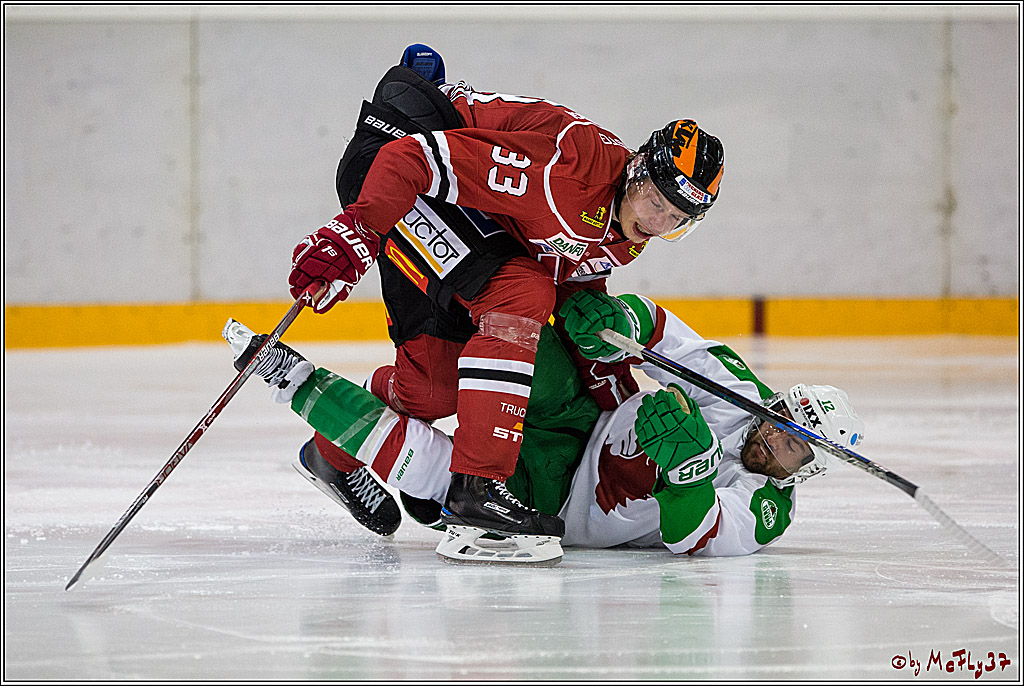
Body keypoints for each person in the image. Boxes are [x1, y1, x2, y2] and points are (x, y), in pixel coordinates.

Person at [283, 44, 726, 553]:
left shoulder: (627, 231)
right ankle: (476, 485)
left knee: (433, 391)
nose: (657, 222)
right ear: (637, 172)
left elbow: (568, 273)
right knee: (521, 291)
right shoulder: (568, 174)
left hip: (464, 216)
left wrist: (596, 338)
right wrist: (356, 232)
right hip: (395, 162)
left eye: (676, 219)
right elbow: (414, 158)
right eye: (656, 202)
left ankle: (330, 453)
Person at [221, 287, 864, 563]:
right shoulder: (742, 393)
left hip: (547, 505)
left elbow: (697, 536)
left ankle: (290, 381)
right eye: (785, 415)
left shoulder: (769, 511)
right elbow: (671, 338)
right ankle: (416, 367)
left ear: (805, 472)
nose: (776, 433)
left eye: (795, 444)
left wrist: (689, 472)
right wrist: (621, 322)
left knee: (414, 459)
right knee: (516, 336)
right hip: (579, 420)